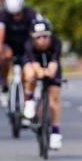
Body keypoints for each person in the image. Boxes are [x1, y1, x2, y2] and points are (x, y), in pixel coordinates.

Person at [22, 18, 64, 150]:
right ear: (33, 38)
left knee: (54, 98)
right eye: (38, 37)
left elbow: (54, 63)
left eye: (45, 36)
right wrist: (40, 72)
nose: (42, 40)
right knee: (30, 75)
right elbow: (34, 65)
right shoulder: (29, 44)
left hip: (51, 66)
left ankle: (56, 134)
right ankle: (29, 101)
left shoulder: (56, 43)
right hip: (33, 64)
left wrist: (50, 72)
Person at [0, 0, 39, 106]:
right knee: (4, 56)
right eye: (12, 14)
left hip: (26, 45)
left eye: (18, 14)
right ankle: (4, 86)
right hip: (9, 44)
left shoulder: (31, 13)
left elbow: (36, 36)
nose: (15, 17)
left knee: (26, 75)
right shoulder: (2, 16)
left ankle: (26, 105)